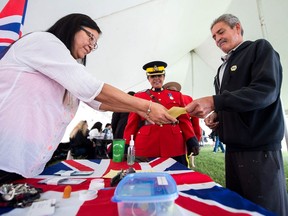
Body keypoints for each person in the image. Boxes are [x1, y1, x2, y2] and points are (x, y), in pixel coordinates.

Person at [0, 13, 177, 184]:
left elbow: (97, 102)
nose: (92, 46)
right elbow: (91, 89)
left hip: (27, 164)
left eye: (95, 43)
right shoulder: (43, 41)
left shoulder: (65, 67)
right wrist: (146, 106)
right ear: (72, 27)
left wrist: (140, 110)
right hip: (6, 152)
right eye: (90, 37)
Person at [185, 14, 288, 215]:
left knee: (264, 209)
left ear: (237, 27)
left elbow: (264, 92)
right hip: (232, 150)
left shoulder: (259, 48)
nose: (217, 39)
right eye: (214, 36)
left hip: (259, 149)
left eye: (221, 32)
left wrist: (215, 101)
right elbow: (233, 102)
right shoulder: (221, 69)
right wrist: (218, 116)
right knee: (239, 207)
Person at [123, 61, 199, 166]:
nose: (156, 79)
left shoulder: (177, 95)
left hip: (174, 144)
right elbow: (132, 123)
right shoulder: (139, 96)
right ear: (148, 79)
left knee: (177, 174)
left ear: (164, 77)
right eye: (152, 76)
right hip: (147, 144)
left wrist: (191, 139)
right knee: (147, 176)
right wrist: (126, 144)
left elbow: (184, 120)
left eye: (159, 75)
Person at [163, 81, 201, 168]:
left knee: (181, 161)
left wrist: (195, 140)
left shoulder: (188, 99)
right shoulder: (188, 98)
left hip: (183, 135)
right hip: (175, 136)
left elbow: (194, 121)